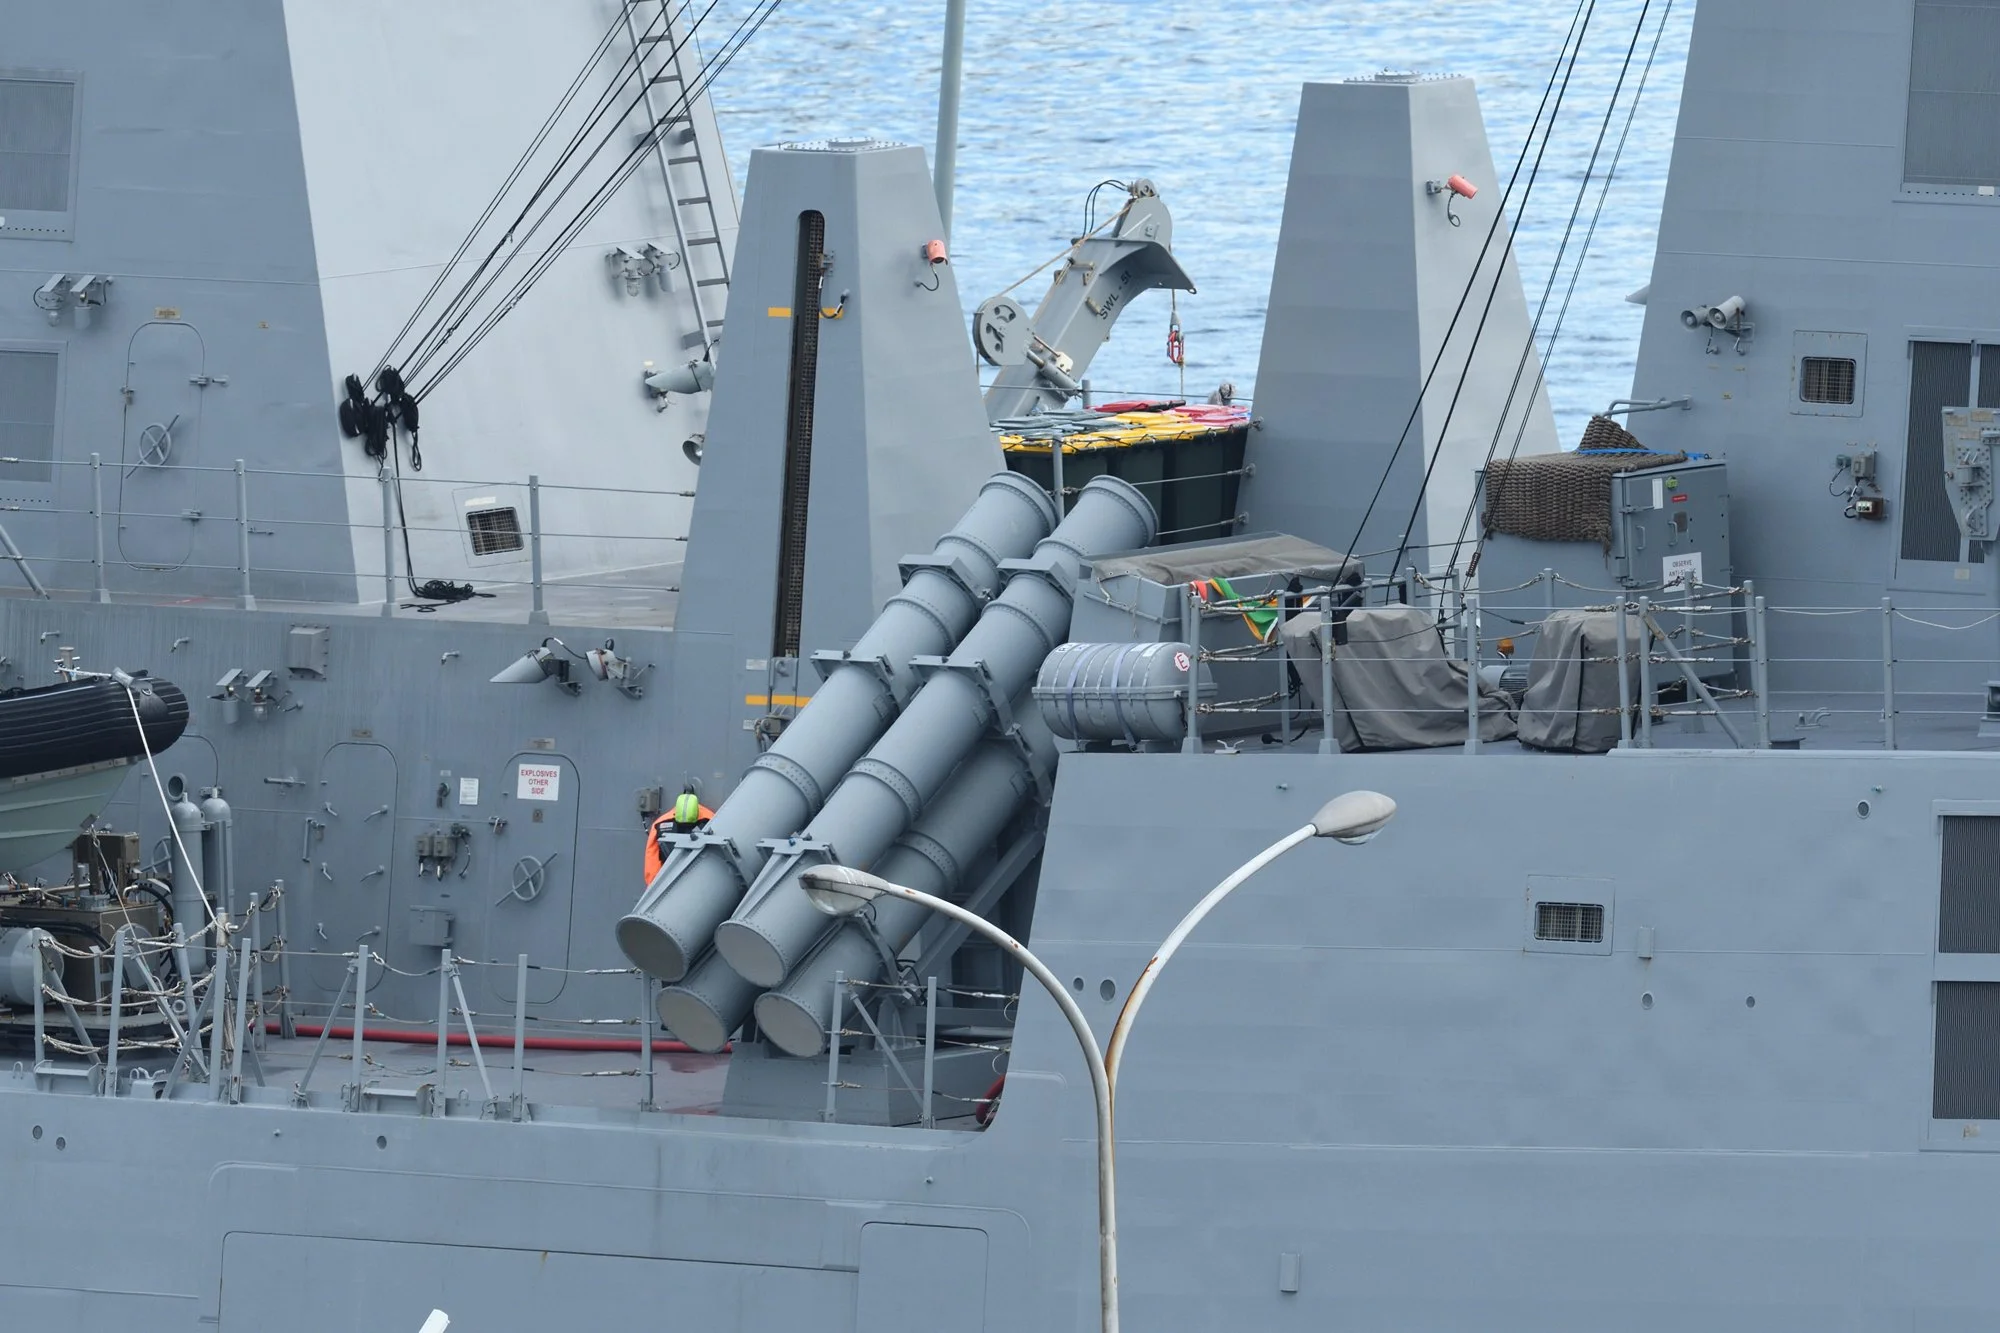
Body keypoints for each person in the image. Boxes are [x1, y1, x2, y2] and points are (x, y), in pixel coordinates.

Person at [643, 789, 713, 884]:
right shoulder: (713, 820)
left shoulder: (659, 824)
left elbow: (651, 861)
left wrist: (654, 886)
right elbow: (652, 860)